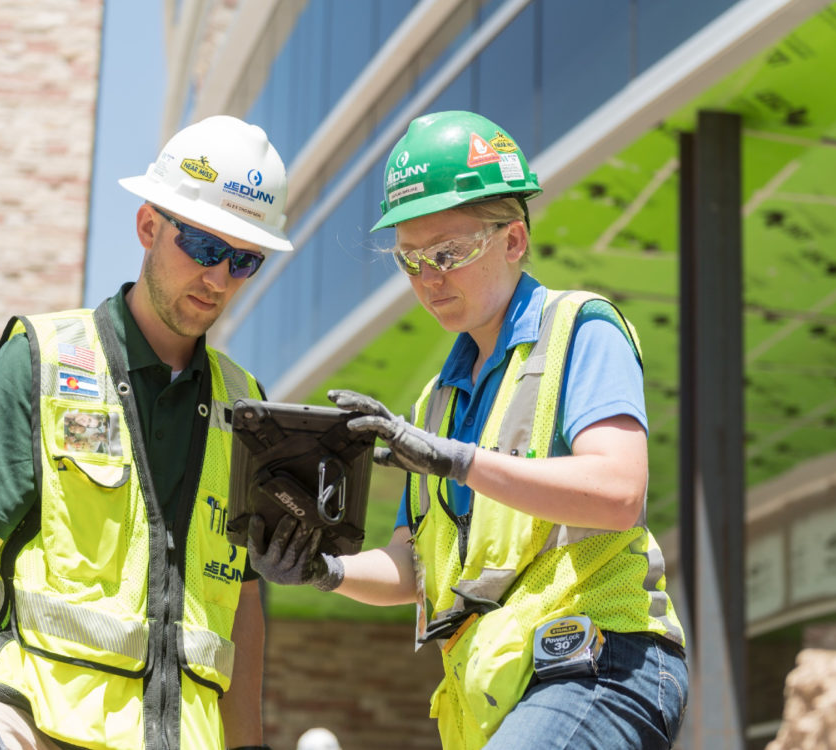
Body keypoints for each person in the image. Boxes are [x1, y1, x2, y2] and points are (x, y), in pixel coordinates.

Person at [247, 111, 688, 749]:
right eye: (410, 260)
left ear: (513, 241)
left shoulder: (581, 329)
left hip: (601, 663)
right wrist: (324, 571)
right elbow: (414, 566)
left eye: (448, 254)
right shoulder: (435, 402)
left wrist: (458, 460)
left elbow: (619, 491)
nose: (429, 280)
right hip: (501, 690)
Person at [0, 115, 291, 750]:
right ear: (149, 227)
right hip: (33, 725)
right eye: (204, 248)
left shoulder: (246, 404)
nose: (219, 278)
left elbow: (243, 605)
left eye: (244, 259)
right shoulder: (43, 357)